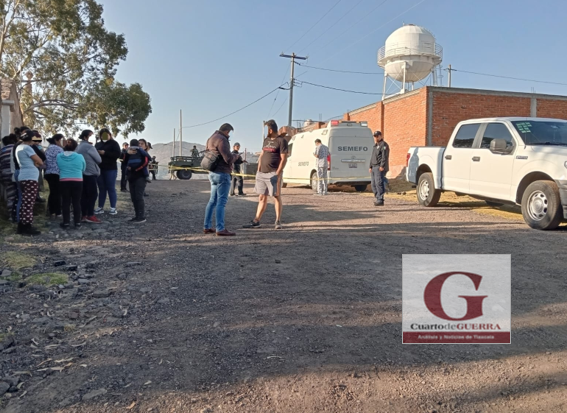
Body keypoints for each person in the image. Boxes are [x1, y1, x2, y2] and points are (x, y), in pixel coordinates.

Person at [243, 119, 288, 230]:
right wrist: (258, 169)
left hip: (273, 173)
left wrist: (277, 173)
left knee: (276, 196)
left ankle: (278, 221)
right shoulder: (266, 140)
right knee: (262, 197)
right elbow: (262, 154)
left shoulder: (281, 141)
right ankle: (256, 220)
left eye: (267, 129)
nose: (266, 131)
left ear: (271, 129)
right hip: (261, 173)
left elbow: (284, 159)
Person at [203, 123, 239, 236]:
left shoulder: (211, 138)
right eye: (230, 133)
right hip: (222, 173)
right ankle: (220, 228)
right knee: (221, 202)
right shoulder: (222, 140)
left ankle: (207, 226)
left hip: (212, 173)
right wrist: (236, 156)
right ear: (227, 131)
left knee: (212, 201)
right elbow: (228, 158)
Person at [14, 130, 44, 235]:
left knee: (25, 202)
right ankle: (27, 226)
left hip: (23, 176)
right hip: (30, 177)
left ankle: (22, 226)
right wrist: (38, 163)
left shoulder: (19, 147)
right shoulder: (27, 148)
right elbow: (39, 160)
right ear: (30, 138)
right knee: (29, 203)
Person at [57, 139, 86, 229]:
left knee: (65, 202)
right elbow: (83, 168)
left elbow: (58, 166)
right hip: (77, 180)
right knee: (76, 202)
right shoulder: (80, 156)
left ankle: (66, 222)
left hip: (64, 180)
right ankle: (77, 222)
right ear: (75, 147)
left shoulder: (59, 156)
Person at [76, 129, 102, 223]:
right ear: (86, 137)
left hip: (81, 173)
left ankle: (84, 215)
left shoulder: (78, 147)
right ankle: (90, 215)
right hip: (90, 172)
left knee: (84, 195)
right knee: (93, 194)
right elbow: (99, 160)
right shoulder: (89, 147)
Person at [94, 128, 121, 215]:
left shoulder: (114, 143)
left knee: (111, 188)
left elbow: (118, 154)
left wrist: (105, 153)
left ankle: (113, 207)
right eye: (102, 135)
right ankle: (100, 207)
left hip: (110, 169)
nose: (104, 137)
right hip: (99, 169)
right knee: (101, 188)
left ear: (110, 135)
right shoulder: (97, 144)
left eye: (106, 135)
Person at [124, 139, 151, 223]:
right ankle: (137, 216)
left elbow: (146, 161)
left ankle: (141, 216)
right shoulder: (128, 152)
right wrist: (127, 153)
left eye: (142, 144)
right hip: (131, 176)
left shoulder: (142, 152)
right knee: (133, 197)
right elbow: (124, 161)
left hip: (140, 176)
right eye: (139, 143)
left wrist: (136, 168)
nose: (139, 145)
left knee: (139, 196)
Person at [44, 134, 65, 217]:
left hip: (48, 172)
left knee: (52, 192)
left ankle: (50, 210)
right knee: (58, 193)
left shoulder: (48, 149)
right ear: (57, 140)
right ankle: (58, 211)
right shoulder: (59, 149)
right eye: (60, 140)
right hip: (57, 172)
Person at [369, 130, 390, 207]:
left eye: (377, 136)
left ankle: (380, 199)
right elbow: (372, 157)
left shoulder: (383, 145)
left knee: (378, 183)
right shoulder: (375, 146)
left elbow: (384, 157)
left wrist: (382, 166)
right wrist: (370, 166)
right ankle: (377, 197)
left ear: (381, 136)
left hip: (379, 167)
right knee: (373, 184)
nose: (376, 138)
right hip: (373, 167)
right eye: (375, 136)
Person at [0, 134, 18, 222]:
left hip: (4, 174)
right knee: (17, 195)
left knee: (10, 195)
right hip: (14, 173)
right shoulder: (15, 148)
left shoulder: (2, 151)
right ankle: (16, 215)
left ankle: (11, 214)